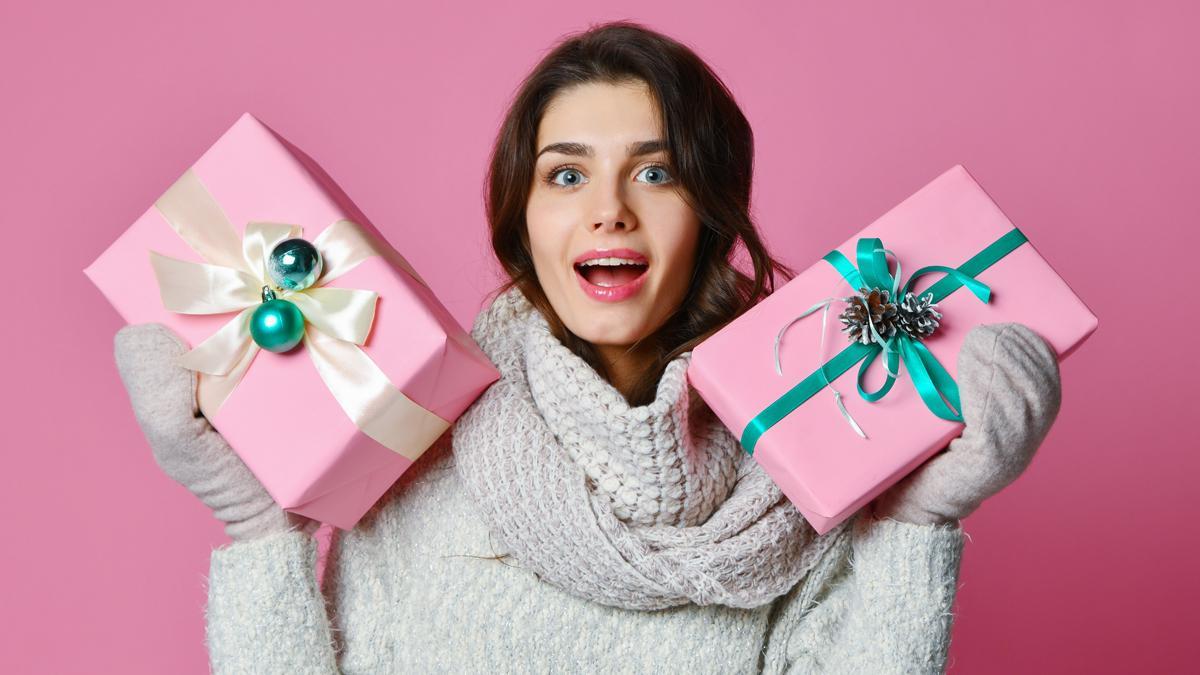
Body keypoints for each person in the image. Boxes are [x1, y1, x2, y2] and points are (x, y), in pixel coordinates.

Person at [112, 21, 1062, 675]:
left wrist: (919, 522)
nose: (609, 207)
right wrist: (256, 526)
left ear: (712, 211)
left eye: (655, 170)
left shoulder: (808, 456)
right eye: (566, 174)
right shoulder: (419, 443)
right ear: (522, 220)